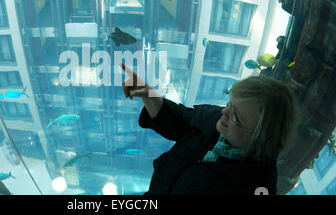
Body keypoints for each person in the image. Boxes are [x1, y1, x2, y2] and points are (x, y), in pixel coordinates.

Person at [120, 62, 299, 195]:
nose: (224, 111)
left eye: (236, 116)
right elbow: (177, 120)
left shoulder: (256, 185)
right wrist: (148, 93)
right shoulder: (216, 118)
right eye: (230, 103)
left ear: (260, 137)